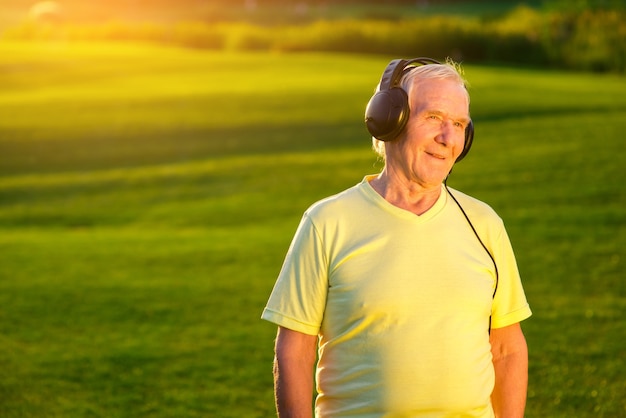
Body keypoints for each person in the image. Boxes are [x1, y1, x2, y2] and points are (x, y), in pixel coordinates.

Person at [261, 57, 532, 418]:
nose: (448, 138)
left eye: (459, 124)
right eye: (434, 118)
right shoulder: (326, 223)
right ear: (389, 120)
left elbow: (506, 348)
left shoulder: (484, 224)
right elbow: (294, 351)